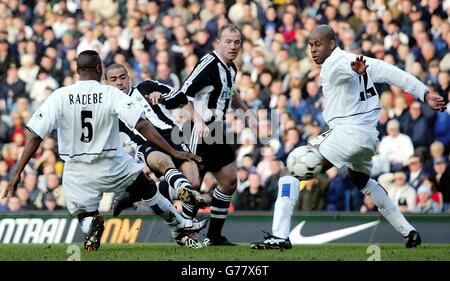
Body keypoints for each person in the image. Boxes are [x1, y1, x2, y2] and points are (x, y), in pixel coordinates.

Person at [251, 25, 447, 249]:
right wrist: (425, 93)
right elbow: (395, 74)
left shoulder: (337, 62)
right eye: (311, 45)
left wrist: (355, 70)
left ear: (332, 44)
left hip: (346, 132)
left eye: (318, 44)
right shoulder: (363, 62)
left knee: (289, 173)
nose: (313, 50)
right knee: (361, 180)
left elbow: (346, 66)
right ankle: (408, 231)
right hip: (368, 138)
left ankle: (279, 236)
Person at [2, 50, 207, 251]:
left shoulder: (60, 95)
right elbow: (142, 125)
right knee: (147, 187)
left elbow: (35, 136)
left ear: (77, 69)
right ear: (100, 68)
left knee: (84, 213)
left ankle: (91, 225)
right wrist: (175, 151)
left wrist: (17, 173)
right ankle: (179, 224)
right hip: (112, 163)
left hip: (76, 169)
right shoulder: (110, 93)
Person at [104, 63, 207, 247]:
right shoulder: (107, 111)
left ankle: (145, 199)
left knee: (195, 183)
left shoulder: (146, 87)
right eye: (113, 79)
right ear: (106, 83)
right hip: (145, 144)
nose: (119, 82)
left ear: (129, 78)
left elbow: (181, 98)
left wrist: (163, 97)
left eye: (122, 77)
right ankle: (188, 229)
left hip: (172, 136)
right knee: (163, 161)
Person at [180, 24, 255, 246]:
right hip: (199, 131)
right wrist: (199, 121)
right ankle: (186, 234)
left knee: (230, 180)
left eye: (237, 42)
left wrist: (247, 112)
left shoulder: (231, 69)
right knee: (193, 184)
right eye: (228, 42)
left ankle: (213, 236)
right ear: (218, 43)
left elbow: (229, 93)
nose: (233, 46)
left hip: (219, 130)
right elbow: (184, 95)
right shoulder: (208, 64)